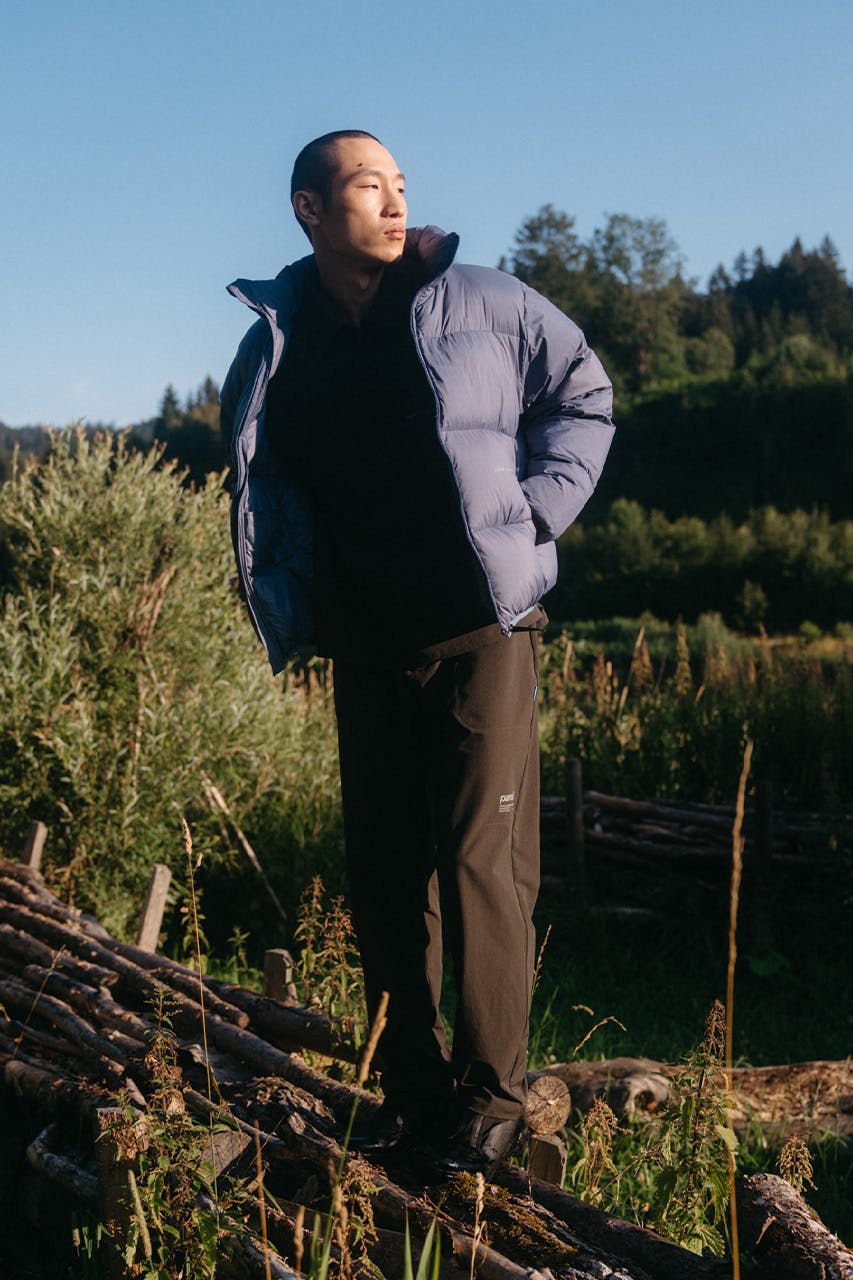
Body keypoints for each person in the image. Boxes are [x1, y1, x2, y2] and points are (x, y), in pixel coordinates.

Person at [220, 130, 613, 1176]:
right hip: (364, 639)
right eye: (368, 186)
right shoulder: (275, 343)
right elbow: (262, 481)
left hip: (482, 628)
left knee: (481, 857)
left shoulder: (484, 301)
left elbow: (584, 394)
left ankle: (492, 1101)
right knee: (384, 872)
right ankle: (410, 1093)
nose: (396, 204)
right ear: (310, 209)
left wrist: (534, 513)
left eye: (401, 186)